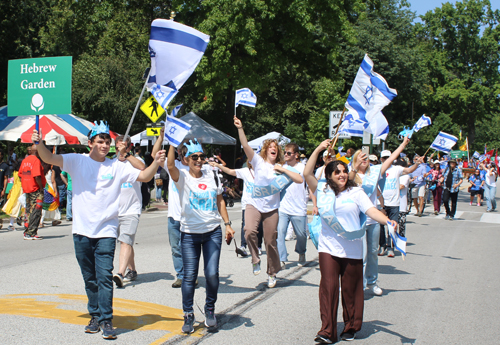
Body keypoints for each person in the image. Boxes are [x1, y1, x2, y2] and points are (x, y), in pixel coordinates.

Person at [31, 122, 165, 340]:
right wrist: (39, 143)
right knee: (90, 278)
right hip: (82, 231)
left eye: (107, 142)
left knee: (104, 277)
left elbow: (145, 177)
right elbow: (48, 158)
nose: (104, 145)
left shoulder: (116, 166)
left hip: (106, 231)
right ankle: (94, 315)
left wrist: (156, 164)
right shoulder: (77, 160)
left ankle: (106, 320)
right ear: (90, 143)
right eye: (100, 141)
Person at [304, 139, 398, 344]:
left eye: (344, 171)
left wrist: (387, 220)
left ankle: (351, 326)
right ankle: (327, 331)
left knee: (351, 289)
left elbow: (371, 210)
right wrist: (319, 148)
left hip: (353, 248)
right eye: (336, 171)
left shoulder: (356, 192)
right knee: (328, 287)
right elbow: (307, 173)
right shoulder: (323, 190)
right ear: (328, 176)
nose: (341, 174)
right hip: (328, 247)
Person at [167, 138, 235, 333]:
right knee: (189, 276)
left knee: (212, 274)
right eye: (194, 157)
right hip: (189, 234)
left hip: (212, 231)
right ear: (186, 159)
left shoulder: (212, 174)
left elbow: (220, 200)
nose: (198, 160)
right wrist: (171, 141)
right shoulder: (181, 176)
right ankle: (188, 313)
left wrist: (228, 224)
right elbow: (170, 164)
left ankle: (210, 309)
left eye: (201, 156)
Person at [234, 116, 302, 288]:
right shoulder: (257, 162)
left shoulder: (282, 168)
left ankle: (272, 273)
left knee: (271, 241)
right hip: (254, 204)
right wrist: (240, 128)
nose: (273, 149)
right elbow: (245, 146)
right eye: (270, 147)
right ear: (265, 150)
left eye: (275, 148)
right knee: (249, 231)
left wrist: (281, 169)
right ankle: (255, 259)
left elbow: (300, 179)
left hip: (272, 208)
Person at [348, 136, 411, 295]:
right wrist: (354, 168)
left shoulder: (375, 172)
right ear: (355, 160)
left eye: (366, 158)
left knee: (373, 253)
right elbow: (346, 185)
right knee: (361, 256)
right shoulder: (351, 175)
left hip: (373, 219)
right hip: (358, 220)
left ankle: (372, 282)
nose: (364, 160)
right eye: (361, 158)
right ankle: (360, 285)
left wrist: (403, 145)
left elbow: (390, 159)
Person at [152, 130, 190, 288]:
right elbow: (155, 154)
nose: (188, 157)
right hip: (174, 216)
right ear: (180, 154)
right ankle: (181, 275)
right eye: (185, 153)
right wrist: (162, 137)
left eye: (192, 154)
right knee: (176, 248)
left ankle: (190, 274)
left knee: (189, 249)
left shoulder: (198, 170)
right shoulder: (173, 166)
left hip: (190, 216)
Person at [208, 160, 264, 257]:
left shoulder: (264, 172)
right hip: (247, 203)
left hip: (260, 203)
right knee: (245, 225)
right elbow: (230, 171)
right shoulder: (246, 171)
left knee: (258, 226)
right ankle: (243, 246)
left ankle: (258, 246)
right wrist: (218, 165)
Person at [112, 135, 146, 288]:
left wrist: (126, 154)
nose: (120, 148)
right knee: (125, 241)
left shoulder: (135, 161)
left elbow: (142, 168)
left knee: (125, 241)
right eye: (118, 146)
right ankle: (132, 270)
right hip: (114, 210)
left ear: (130, 146)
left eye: (124, 146)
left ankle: (120, 273)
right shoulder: (112, 163)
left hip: (131, 209)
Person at [379, 149, 422, 257]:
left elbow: (409, 170)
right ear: (381, 159)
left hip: (394, 203)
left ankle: (390, 247)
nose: (387, 160)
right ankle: (382, 245)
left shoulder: (396, 169)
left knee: (392, 226)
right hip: (381, 202)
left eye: (389, 158)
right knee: (380, 226)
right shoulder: (377, 170)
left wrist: (416, 163)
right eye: (384, 158)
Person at [277, 142, 309, 268]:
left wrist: (315, 203)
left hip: (299, 207)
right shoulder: (280, 167)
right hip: (283, 206)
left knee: (301, 235)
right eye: (285, 152)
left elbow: (310, 185)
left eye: (288, 153)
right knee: (280, 232)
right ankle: (281, 258)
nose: (286, 155)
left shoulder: (303, 168)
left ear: (296, 155)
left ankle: (301, 252)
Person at [18, 144, 46, 240]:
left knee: (29, 210)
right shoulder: (36, 161)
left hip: (27, 188)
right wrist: (41, 188)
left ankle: (27, 231)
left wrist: (26, 182)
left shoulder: (25, 160)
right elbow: (37, 176)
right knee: (36, 210)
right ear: (38, 151)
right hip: (36, 189)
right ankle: (31, 233)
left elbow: (20, 174)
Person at [2, 159, 23, 231]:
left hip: (14, 190)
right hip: (20, 190)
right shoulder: (21, 173)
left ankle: (18, 218)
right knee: (19, 206)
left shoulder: (15, 172)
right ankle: (17, 219)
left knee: (15, 206)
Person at [39, 162, 62, 227]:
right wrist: (56, 191)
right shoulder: (52, 171)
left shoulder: (41, 170)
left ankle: (41, 221)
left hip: (44, 188)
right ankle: (54, 219)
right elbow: (53, 181)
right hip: (50, 189)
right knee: (54, 204)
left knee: (44, 205)